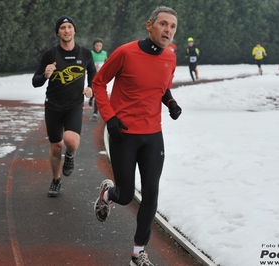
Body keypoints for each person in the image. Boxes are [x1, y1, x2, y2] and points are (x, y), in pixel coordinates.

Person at [92, 6, 181, 266]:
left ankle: (137, 252)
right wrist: (110, 118)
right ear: (149, 25)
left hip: (153, 136)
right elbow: (98, 82)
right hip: (124, 134)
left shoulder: (170, 58)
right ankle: (108, 194)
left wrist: (171, 101)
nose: (168, 30)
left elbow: (162, 87)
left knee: (151, 194)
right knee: (126, 195)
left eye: (173, 26)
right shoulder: (125, 52)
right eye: (163, 24)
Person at [32, 16, 96, 197]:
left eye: (69, 27)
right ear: (58, 32)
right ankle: (56, 180)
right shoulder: (50, 55)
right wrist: (45, 75)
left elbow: (93, 73)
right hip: (53, 106)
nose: (66, 30)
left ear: (74, 30)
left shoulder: (85, 54)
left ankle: (70, 157)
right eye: (62, 28)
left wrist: (91, 87)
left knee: (70, 141)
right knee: (56, 146)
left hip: (74, 105)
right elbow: (35, 81)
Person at [89, 37, 108, 119]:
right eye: (97, 45)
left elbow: (107, 63)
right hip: (92, 75)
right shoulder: (91, 53)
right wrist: (93, 66)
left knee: (97, 93)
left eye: (100, 46)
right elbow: (87, 64)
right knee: (92, 90)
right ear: (94, 46)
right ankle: (90, 98)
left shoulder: (104, 53)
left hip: (100, 77)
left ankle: (95, 112)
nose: (98, 47)